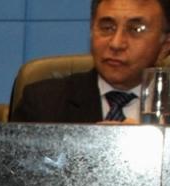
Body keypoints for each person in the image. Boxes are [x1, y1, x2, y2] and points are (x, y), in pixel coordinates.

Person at [10, 0, 170, 122]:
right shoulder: (43, 103)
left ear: (165, 46)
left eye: (136, 29)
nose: (116, 44)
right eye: (107, 27)